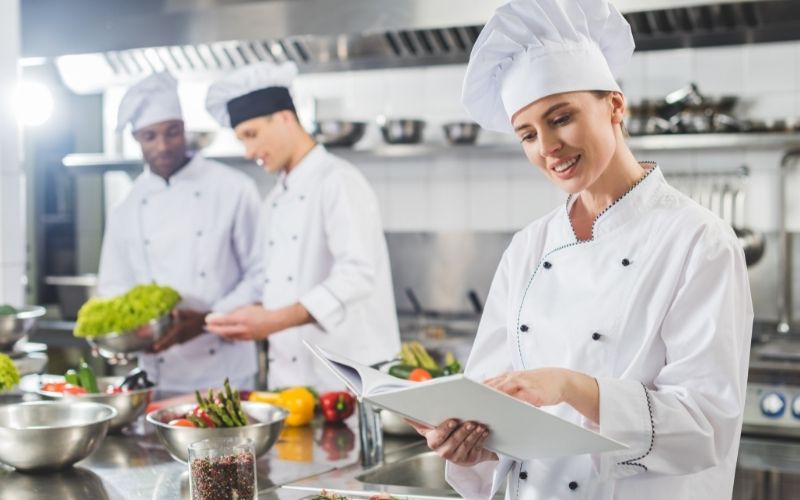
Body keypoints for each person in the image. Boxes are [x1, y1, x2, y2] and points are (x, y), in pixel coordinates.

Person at [408, 1, 753, 499]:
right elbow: (489, 398)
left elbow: (706, 426)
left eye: (561, 118)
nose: (547, 147)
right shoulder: (529, 247)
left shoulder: (698, 241)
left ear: (615, 105)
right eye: (527, 134)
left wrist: (571, 387)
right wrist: (470, 441)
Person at [203, 62, 400, 391]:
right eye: (241, 140)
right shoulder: (275, 200)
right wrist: (220, 317)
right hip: (291, 384)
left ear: (284, 118)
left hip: (348, 383)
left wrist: (272, 321)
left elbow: (357, 274)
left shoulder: (338, 180)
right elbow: (272, 283)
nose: (249, 151)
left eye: (251, 135)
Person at [97, 71, 262, 392]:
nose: (163, 146)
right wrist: (116, 335)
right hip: (157, 373)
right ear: (136, 139)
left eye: (172, 132)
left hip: (224, 369)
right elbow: (114, 286)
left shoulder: (233, 188)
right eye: (150, 136)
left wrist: (209, 319)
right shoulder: (127, 207)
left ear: (185, 129)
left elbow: (260, 275)